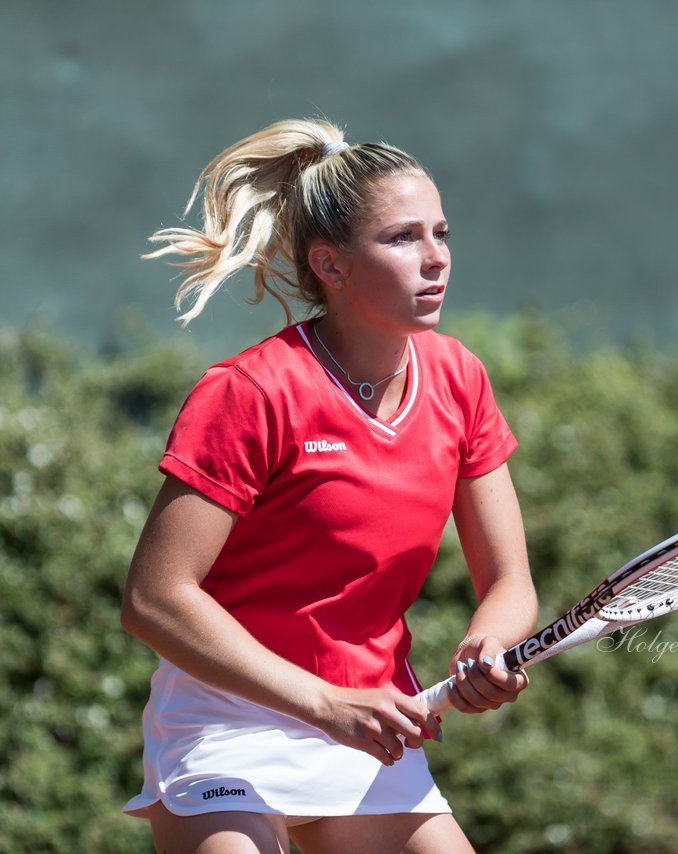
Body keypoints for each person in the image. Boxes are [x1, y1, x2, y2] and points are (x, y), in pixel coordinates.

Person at [119, 117, 538, 853]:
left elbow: (509, 581)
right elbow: (156, 598)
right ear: (332, 266)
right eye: (404, 238)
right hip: (228, 720)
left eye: (442, 233)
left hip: (366, 727)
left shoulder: (459, 378)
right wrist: (323, 702)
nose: (435, 259)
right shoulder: (250, 392)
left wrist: (488, 645)